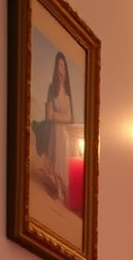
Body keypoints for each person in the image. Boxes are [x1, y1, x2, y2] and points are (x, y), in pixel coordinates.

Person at [33, 51, 74, 199]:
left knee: (63, 159)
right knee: (56, 158)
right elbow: (49, 113)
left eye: (63, 66)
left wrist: (59, 116)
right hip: (55, 131)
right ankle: (58, 189)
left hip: (63, 132)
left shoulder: (68, 94)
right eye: (58, 66)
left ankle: (61, 188)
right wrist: (59, 117)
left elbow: (69, 117)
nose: (60, 70)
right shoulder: (52, 89)